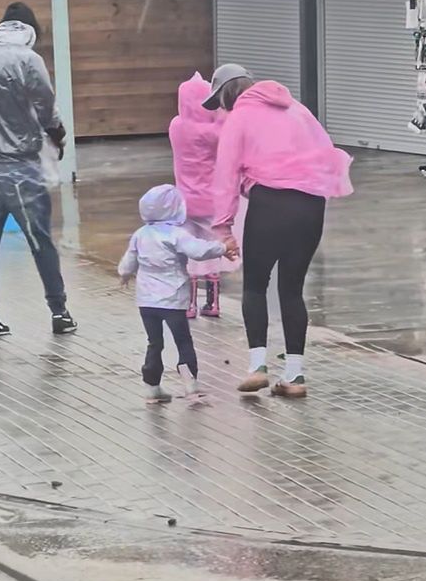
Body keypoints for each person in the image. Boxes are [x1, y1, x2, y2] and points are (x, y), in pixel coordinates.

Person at [204, 63, 353, 398]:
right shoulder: (297, 110)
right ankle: (295, 376)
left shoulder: (239, 117)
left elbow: (225, 175)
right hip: (312, 204)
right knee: (292, 289)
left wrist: (223, 228)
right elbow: (325, 152)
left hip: (270, 200)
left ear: (227, 94)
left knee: (255, 286)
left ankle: (257, 366)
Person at [0, 1, 75, 339]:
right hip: (21, 168)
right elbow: (46, 106)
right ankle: (59, 311)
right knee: (40, 239)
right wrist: (57, 135)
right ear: (29, 31)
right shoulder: (28, 60)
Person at [118, 184, 234, 402]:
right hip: (173, 298)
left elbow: (128, 262)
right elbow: (199, 251)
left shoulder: (140, 234)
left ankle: (152, 388)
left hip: (146, 301)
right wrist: (222, 247)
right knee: (183, 340)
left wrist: (124, 275)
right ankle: (191, 385)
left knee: (155, 342)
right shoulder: (176, 234)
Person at [168, 72, 241, 319]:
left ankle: (188, 304)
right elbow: (227, 139)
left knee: (188, 251)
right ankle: (212, 303)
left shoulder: (176, 126)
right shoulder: (210, 132)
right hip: (211, 202)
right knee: (214, 249)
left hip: (183, 202)